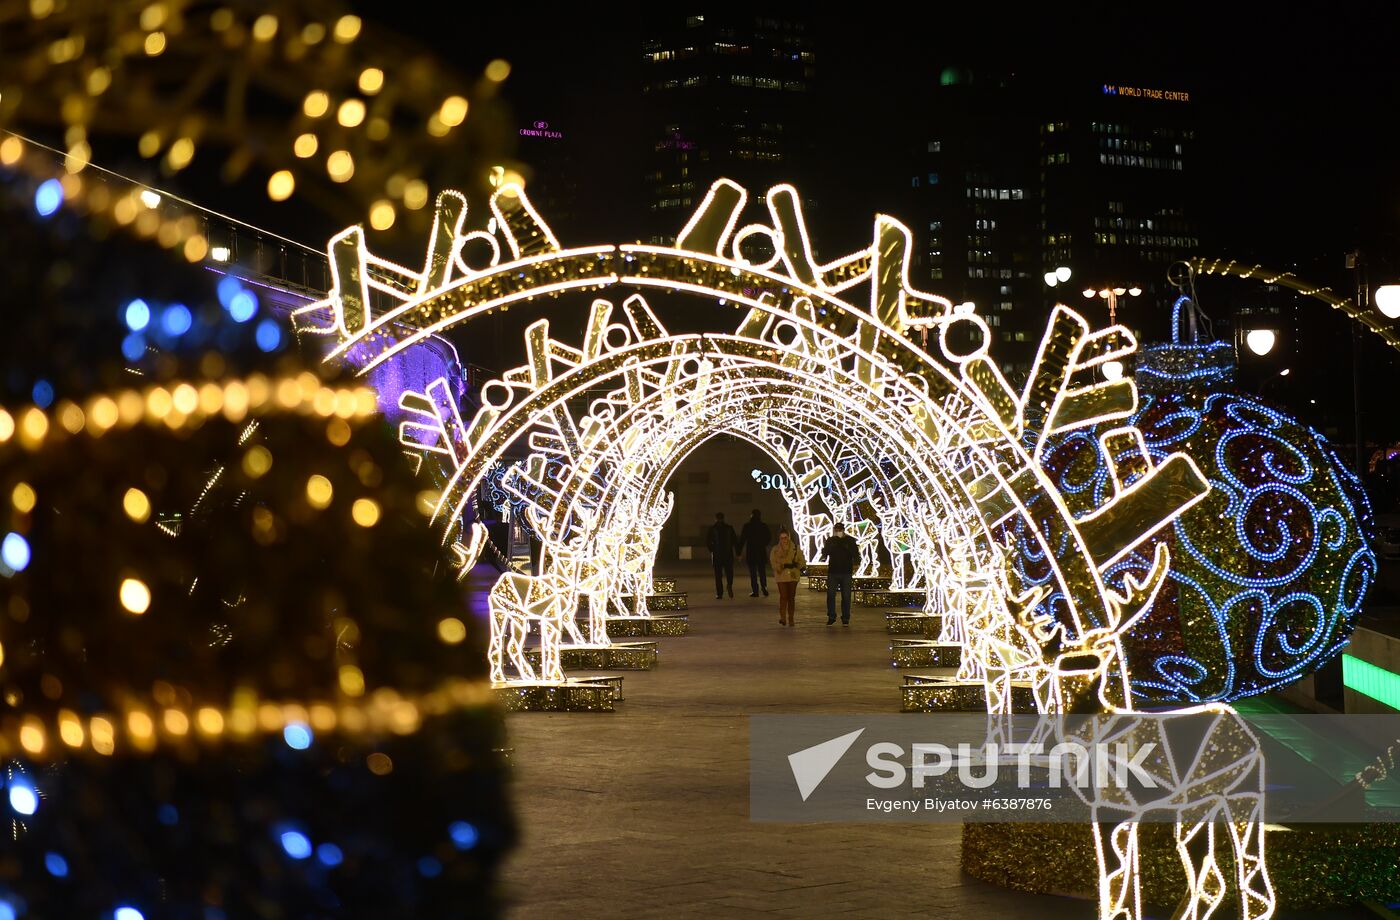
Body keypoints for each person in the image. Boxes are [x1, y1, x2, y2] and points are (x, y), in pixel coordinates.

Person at [820, 521, 860, 626]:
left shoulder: (850, 540)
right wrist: (824, 555)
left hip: (846, 571)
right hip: (833, 571)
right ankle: (831, 616)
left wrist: (856, 561)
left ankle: (845, 618)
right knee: (831, 595)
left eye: (839, 530)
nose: (838, 532)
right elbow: (825, 552)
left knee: (846, 596)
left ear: (843, 530)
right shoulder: (831, 540)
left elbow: (855, 553)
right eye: (836, 530)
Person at [769, 526, 803, 626]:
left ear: (789, 537)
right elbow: (773, 562)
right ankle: (783, 617)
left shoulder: (795, 548)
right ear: (779, 539)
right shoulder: (775, 550)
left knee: (791, 597)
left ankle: (791, 618)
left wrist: (799, 565)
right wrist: (780, 566)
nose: (784, 540)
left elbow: (801, 560)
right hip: (781, 576)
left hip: (793, 575)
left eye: (786, 537)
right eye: (782, 538)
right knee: (783, 596)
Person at [736, 508, 772, 597]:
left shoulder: (747, 526)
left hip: (751, 552)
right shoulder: (763, 526)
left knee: (753, 573)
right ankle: (764, 588)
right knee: (762, 571)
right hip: (761, 551)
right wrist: (763, 544)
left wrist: (738, 552)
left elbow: (742, 540)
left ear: (751, 515)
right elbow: (769, 537)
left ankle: (755, 591)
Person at [706, 512, 738, 599]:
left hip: (717, 554)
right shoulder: (729, 528)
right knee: (729, 573)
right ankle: (729, 585)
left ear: (716, 518)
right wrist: (738, 552)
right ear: (724, 518)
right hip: (728, 554)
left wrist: (712, 550)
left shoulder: (713, 529)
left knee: (718, 575)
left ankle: (719, 593)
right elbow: (735, 540)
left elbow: (708, 541)